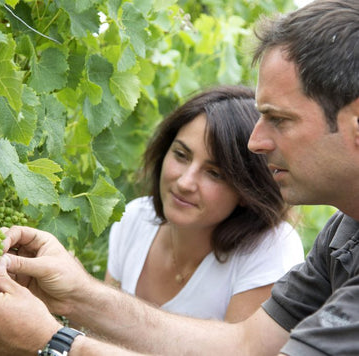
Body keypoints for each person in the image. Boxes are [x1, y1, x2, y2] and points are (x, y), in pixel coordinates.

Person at [0, 0, 359, 355]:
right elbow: (247, 346)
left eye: (279, 119)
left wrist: (51, 343)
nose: (256, 142)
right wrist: (75, 293)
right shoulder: (344, 233)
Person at [105, 86, 304, 322]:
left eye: (214, 173)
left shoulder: (271, 250)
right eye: (181, 155)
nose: (185, 182)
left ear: (246, 190)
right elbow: (98, 329)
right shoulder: (135, 218)